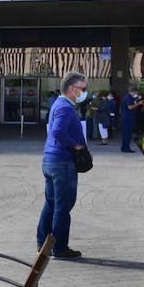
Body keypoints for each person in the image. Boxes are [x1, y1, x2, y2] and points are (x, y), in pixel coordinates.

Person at [37, 72, 88, 260]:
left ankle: (42, 243)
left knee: (51, 203)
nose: (84, 92)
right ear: (73, 89)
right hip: (62, 163)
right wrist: (76, 145)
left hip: (50, 161)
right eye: (83, 89)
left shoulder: (57, 104)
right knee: (62, 206)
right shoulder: (66, 108)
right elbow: (58, 131)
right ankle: (59, 248)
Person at [120, 87, 144, 152]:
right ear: (133, 91)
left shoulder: (130, 97)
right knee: (127, 134)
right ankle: (126, 148)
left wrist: (137, 101)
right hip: (127, 118)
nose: (136, 94)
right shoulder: (128, 97)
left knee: (128, 134)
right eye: (136, 92)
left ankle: (125, 147)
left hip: (129, 118)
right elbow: (130, 107)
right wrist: (138, 104)